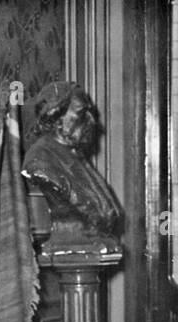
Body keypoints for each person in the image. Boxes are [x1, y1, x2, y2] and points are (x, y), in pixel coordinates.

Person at [21, 81, 123, 243]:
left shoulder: (76, 156)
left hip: (93, 245)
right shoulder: (40, 160)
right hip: (69, 245)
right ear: (55, 116)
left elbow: (107, 211)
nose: (92, 121)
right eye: (82, 113)